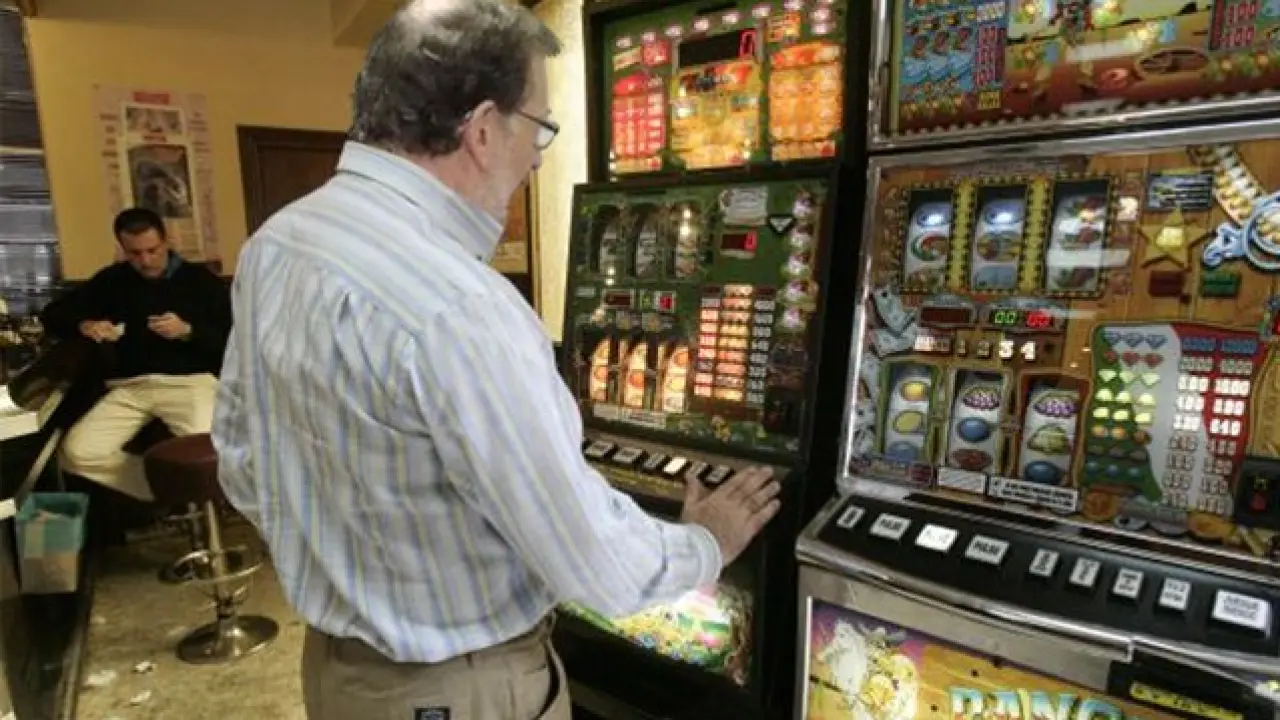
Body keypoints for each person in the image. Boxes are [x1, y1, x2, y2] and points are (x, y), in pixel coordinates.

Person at [211, 2, 781, 719]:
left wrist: (363, 555)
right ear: (482, 129)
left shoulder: (278, 244)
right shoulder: (458, 304)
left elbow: (241, 459)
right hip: (456, 687)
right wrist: (706, 542)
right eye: (539, 127)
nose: (538, 156)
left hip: (339, 674)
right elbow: (592, 563)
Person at [41, 207, 230, 502]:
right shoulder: (112, 281)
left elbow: (232, 339)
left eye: (152, 250)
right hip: (130, 387)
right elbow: (52, 314)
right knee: (77, 453)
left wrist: (188, 331)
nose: (145, 260)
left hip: (190, 382)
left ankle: (190, 494)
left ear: (166, 241)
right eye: (135, 253)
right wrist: (85, 324)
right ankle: (166, 493)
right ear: (122, 248)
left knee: (210, 457)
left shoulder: (200, 281)